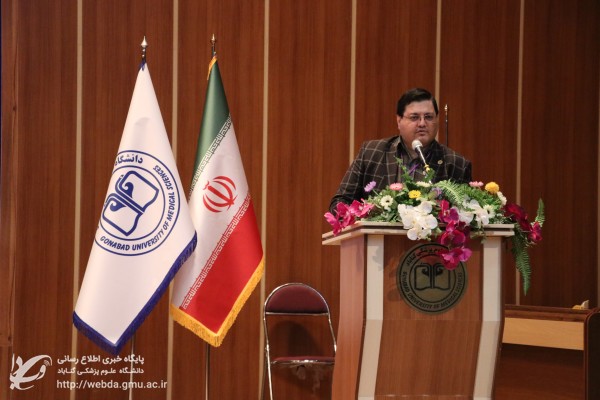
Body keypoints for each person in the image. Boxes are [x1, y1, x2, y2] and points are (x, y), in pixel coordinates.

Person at [329, 88, 472, 213]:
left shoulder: (456, 164)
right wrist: (367, 215)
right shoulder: (372, 153)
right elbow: (339, 203)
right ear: (399, 121)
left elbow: (468, 214)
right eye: (414, 117)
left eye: (428, 117)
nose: (422, 123)